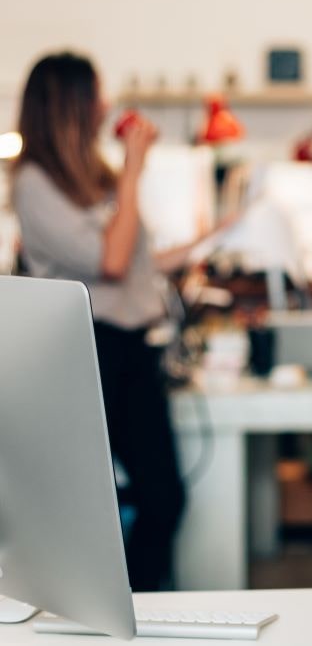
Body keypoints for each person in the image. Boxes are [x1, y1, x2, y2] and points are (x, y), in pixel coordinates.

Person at [12, 52, 186, 591]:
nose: (105, 106)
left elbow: (132, 261)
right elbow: (109, 262)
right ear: (71, 104)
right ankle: (115, 608)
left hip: (130, 349)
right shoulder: (34, 184)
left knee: (163, 495)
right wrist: (132, 171)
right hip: (88, 351)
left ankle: (133, 606)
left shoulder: (94, 178)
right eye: (96, 94)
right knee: (101, 504)